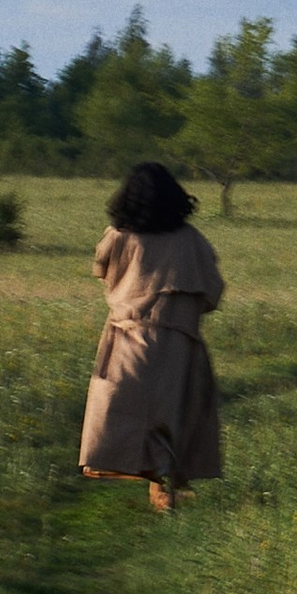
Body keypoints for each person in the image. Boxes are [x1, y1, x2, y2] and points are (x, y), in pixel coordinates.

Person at [79, 161, 225, 514]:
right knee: (175, 412)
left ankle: (158, 484)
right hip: (179, 339)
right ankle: (167, 485)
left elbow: (102, 272)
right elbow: (212, 292)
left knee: (126, 410)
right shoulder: (191, 239)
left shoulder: (118, 235)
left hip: (129, 336)